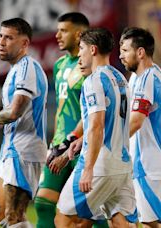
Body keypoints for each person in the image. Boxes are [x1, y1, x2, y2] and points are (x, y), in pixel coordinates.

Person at [55, 28, 136, 227]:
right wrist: (81, 140)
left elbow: (98, 125)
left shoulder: (94, 81)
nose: (79, 55)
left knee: (63, 218)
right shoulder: (120, 79)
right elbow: (113, 122)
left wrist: (88, 169)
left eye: (81, 48)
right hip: (123, 164)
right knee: (120, 220)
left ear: (92, 50)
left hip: (101, 164)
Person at [0, 18, 48, 227]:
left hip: (24, 150)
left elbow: (15, 111)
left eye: (9, 38)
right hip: (12, 148)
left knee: (14, 215)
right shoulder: (16, 69)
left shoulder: (27, 68)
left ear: (24, 43)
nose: (1, 42)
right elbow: (15, 111)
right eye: (0, 36)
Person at [34, 12, 90, 228]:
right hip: (59, 144)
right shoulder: (59, 66)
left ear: (79, 35)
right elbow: (61, 107)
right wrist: (55, 141)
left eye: (63, 30)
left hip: (83, 145)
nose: (57, 35)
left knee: (90, 214)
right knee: (43, 204)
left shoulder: (90, 67)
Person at [119, 27, 161, 228]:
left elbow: (136, 121)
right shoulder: (136, 78)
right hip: (140, 163)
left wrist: (110, 144)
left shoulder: (149, 79)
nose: (120, 56)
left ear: (140, 52)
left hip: (151, 165)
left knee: (151, 222)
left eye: (125, 50)